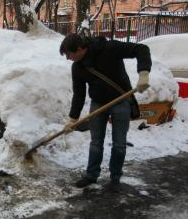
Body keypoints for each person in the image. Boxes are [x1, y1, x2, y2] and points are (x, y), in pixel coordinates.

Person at [59, 33, 151, 192]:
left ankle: (115, 177)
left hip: (120, 101)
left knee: (119, 143)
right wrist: (72, 119)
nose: (67, 58)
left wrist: (143, 73)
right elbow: (79, 95)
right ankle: (91, 175)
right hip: (98, 104)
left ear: (80, 49)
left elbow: (141, 49)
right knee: (96, 142)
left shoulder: (109, 48)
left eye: (69, 54)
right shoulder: (78, 67)